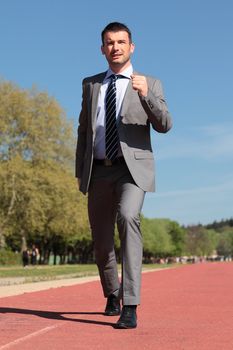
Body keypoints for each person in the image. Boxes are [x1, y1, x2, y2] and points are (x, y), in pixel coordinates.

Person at [75, 22, 172, 329]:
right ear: (102, 49)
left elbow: (165, 124)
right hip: (99, 172)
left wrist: (147, 97)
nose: (115, 47)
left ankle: (130, 304)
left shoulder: (150, 83)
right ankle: (112, 293)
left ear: (132, 47)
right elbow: (83, 131)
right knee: (102, 243)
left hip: (132, 170)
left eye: (121, 42)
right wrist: (81, 172)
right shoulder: (91, 85)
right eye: (109, 42)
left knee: (128, 218)